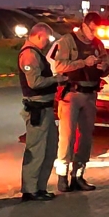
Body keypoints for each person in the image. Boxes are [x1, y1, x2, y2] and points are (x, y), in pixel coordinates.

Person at [49, 11, 109, 192]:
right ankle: (62, 177)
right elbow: (59, 66)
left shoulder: (98, 43)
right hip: (72, 94)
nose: (94, 34)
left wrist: (104, 66)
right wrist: (83, 62)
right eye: (92, 30)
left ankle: (78, 175)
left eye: (97, 30)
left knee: (86, 137)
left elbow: (106, 64)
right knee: (67, 137)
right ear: (84, 26)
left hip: (90, 94)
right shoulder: (68, 41)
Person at [17, 23, 62, 202]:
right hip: (38, 109)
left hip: (45, 108)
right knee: (36, 150)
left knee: (50, 148)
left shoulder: (35, 53)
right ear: (38, 35)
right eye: (46, 38)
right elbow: (34, 83)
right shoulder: (29, 54)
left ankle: (39, 187)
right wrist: (56, 79)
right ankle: (30, 189)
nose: (47, 42)